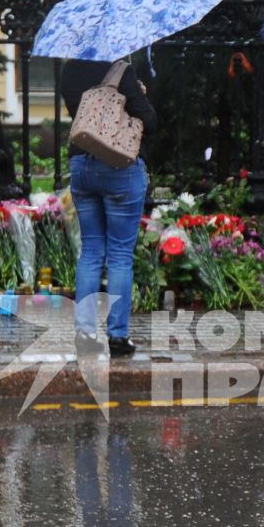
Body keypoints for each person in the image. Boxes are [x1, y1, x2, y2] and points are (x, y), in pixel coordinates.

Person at [60, 56, 157, 358]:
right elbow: (150, 121)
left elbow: (82, 113)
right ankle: (117, 336)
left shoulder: (69, 70)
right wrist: (137, 93)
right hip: (119, 167)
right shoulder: (120, 69)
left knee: (90, 251)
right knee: (119, 255)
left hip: (82, 164)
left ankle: (85, 332)